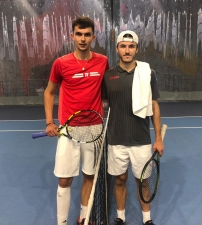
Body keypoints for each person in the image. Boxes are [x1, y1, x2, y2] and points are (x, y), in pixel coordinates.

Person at [44, 16, 109, 225]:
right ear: (72, 36)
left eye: (87, 34)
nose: (83, 38)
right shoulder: (61, 63)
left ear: (93, 37)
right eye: (79, 34)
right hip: (68, 129)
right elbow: (49, 92)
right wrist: (49, 122)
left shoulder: (103, 61)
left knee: (89, 176)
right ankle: (62, 222)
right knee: (65, 179)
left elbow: (110, 90)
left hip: (94, 128)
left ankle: (84, 217)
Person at [101, 30, 164, 225]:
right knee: (120, 180)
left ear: (136, 49)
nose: (127, 50)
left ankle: (147, 219)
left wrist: (158, 139)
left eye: (131, 46)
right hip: (117, 139)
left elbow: (154, 105)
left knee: (142, 181)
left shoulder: (148, 74)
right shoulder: (108, 76)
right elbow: (102, 104)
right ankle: (120, 217)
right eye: (123, 46)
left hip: (141, 139)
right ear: (117, 49)